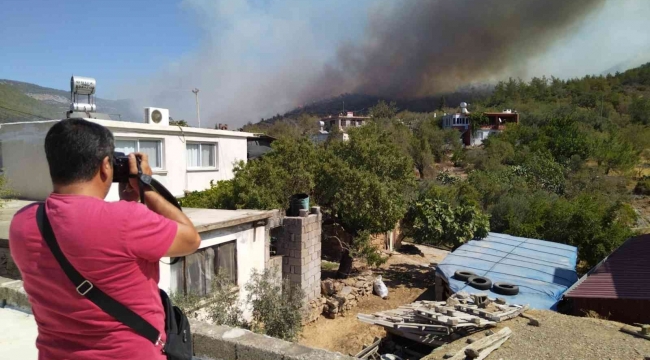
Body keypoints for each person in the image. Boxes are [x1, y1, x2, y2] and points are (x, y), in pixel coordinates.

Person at [9, 118, 201, 359]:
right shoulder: (126, 220)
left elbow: (90, 239)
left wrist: (129, 204)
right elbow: (191, 239)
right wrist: (147, 188)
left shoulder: (22, 222)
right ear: (105, 166)